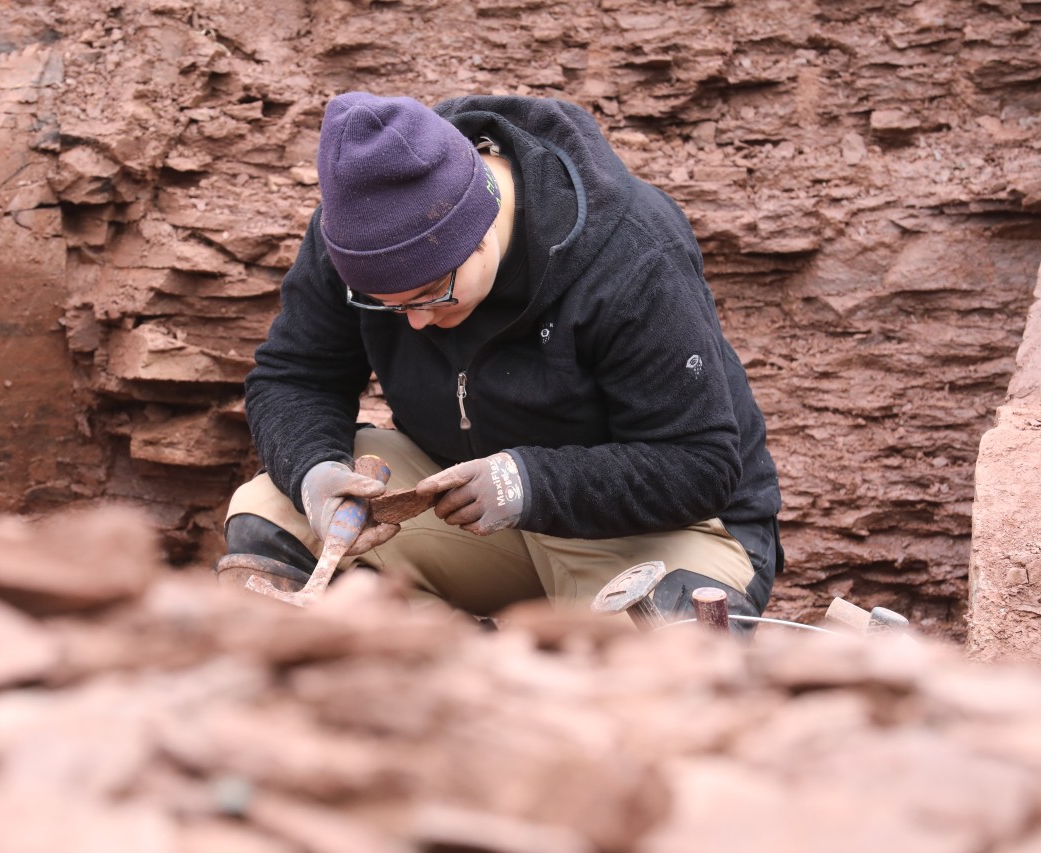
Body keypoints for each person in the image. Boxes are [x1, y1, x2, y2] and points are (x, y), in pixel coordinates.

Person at [220, 91, 782, 622]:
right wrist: (315, 476)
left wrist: (527, 483)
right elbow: (294, 375)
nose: (415, 322)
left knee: (644, 675)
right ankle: (440, 669)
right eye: (386, 306)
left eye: (430, 295)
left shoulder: (631, 255)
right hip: (470, 517)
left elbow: (699, 463)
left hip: (659, 532)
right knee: (273, 512)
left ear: (482, 230)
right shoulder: (355, 234)